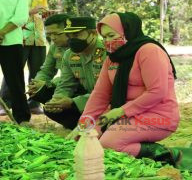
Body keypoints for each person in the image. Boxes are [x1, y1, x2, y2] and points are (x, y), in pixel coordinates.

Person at [68, 12, 181, 166]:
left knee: (107, 144)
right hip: (123, 114)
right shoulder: (112, 58)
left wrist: (120, 111)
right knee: (88, 139)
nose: (107, 41)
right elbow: (100, 95)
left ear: (127, 31)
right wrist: (83, 124)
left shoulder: (149, 51)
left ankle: (161, 152)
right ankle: (131, 141)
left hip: (157, 115)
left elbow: (157, 92)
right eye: (104, 37)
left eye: (111, 35)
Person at [43, 16, 107, 130]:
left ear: (93, 33)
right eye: (69, 36)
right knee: (51, 109)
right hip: (87, 100)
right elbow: (65, 83)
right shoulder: (69, 54)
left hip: (107, 102)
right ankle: (84, 126)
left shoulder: (107, 53)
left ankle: (93, 126)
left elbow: (109, 92)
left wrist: (74, 102)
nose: (72, 40)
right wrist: (58, 100)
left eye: (77, 35)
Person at [0, 0, 49, 115]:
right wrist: (32, 11)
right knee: (14, 69)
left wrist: (45, 14)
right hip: (20, 36)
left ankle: (34, 103)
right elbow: (8, 14)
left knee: (38, 71)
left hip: (39, 37)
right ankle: (5, 103)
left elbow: (41, 12)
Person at [27, 14, 70, 104]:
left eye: (56, 33)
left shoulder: (79, 47)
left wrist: (47, 85)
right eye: (49, 34)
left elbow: (74, 80)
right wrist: (37, 83)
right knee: (38, 93)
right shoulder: (54, 47)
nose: (52, 38)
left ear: (69, 31)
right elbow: (46, 71)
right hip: (63, 86)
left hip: (78, 88)